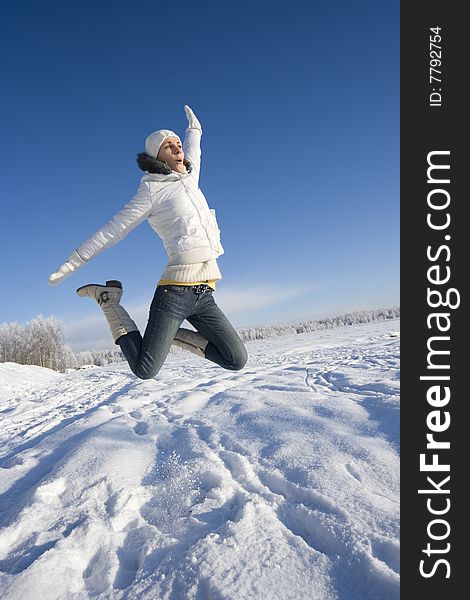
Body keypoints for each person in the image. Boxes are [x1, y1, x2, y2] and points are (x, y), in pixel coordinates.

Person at [48, 105, 248, 380]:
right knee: (145, 369)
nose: (178, 150)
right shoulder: (151, 191)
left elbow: (194, 153)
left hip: (205, 293)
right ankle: (108, 300)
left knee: (236, 359)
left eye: (178, 145)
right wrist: (73, 262)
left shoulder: (190, 180)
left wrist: (194, 131)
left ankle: (172, 333)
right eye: (169, 147)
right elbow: (112, 230)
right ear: (157, 155)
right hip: (175, 294)